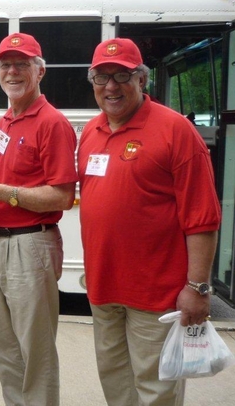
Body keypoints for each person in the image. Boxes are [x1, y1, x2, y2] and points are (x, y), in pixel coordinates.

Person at [77, 38, 221, 406]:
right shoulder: (90, 133)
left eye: (122, 75)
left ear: (141, 80)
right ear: (92, 81)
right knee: (115, 382)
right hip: (103, 288)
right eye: (101, 76)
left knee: (156, 391)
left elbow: (202, 218)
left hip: (156, 295)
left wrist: (198, 287)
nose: (111, 86)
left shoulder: (176, 131)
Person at [0, 32, 77, 405]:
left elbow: (61, 195)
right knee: (5, 346)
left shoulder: (52, 123)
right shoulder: (7, 120)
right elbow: (13, 183)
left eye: (22, 65)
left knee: (35, 350)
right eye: (5, 65)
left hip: (31, 244)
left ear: (39, 71)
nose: (12, 72)